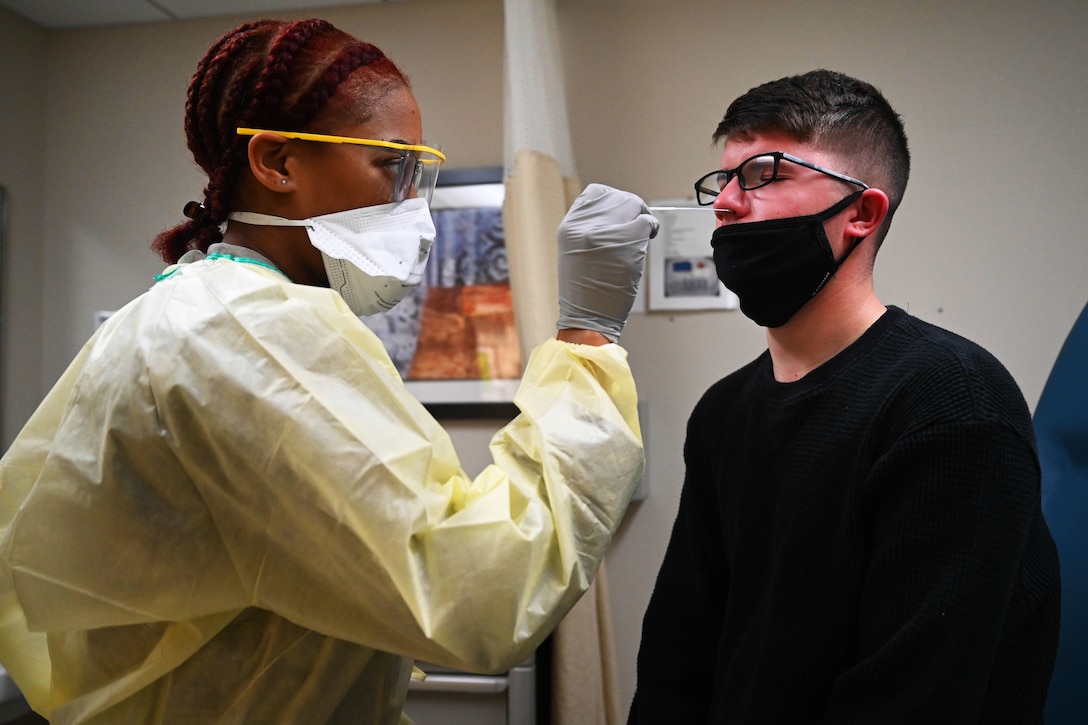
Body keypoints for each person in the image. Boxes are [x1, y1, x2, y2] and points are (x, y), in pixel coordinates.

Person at [0, 18, 658, 724]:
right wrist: (587, 342)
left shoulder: (194, 310)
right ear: (278, 162)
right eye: (392, 166)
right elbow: (480, 594)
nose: (414, 204)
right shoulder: (248, 335)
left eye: (421, 173)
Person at [628, 69, 1061, 724]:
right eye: (723, 179)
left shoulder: (952, 403)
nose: (724, 203)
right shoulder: (723, 412)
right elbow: (677, 657)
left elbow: (919, 696)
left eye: (763, 173)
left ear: (861, 212)